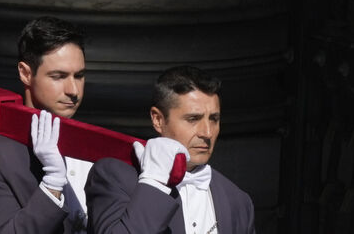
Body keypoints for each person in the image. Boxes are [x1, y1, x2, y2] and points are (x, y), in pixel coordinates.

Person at [0, 16, 91, 233]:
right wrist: (53, 185)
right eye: (58, 76)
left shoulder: (95, 148)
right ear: (25, 73)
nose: (73, 90)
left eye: (79, 76)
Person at [85, 65, 255, 233]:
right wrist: (154, 183)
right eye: (193, 119)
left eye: (214, 119)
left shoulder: (238, 201)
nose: (207, 132)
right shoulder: (116, 177)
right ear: (158, 119)